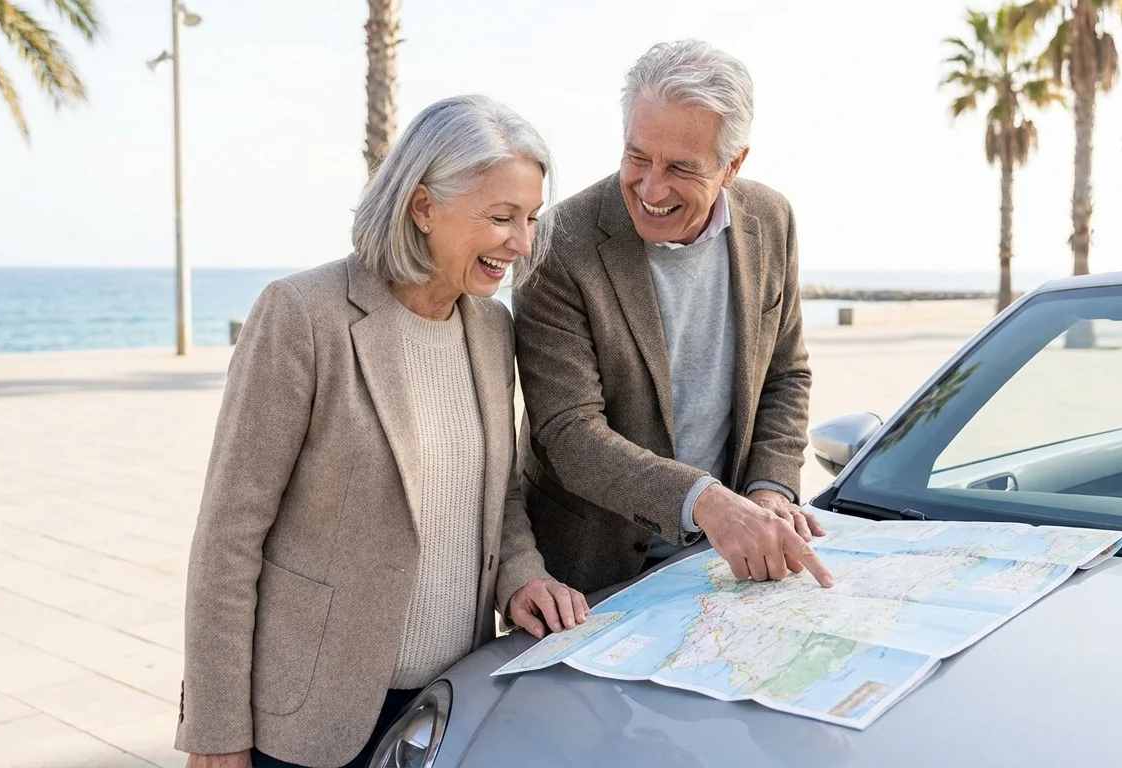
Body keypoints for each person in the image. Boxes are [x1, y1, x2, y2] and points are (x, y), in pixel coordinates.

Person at [175, 95, 589, 768]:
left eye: (530, 218)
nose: (522, 243)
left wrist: (523, 577)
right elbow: (228, 536)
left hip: (447, 707)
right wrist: (216, 733)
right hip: (308, 721)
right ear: (423, 206)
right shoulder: (301, 316)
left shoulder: (492, 329)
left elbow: (498, 492)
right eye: (501, 217)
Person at [513, 40, 834, 596]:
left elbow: (785, 374)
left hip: (728, 562)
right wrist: (707, 502)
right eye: (637, 157)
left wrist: (769, 490)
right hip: (591, 574)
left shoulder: (772, 220)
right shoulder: (558, 245)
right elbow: (569, 434)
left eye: (681, 167)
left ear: (733, 165)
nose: (651, 188)